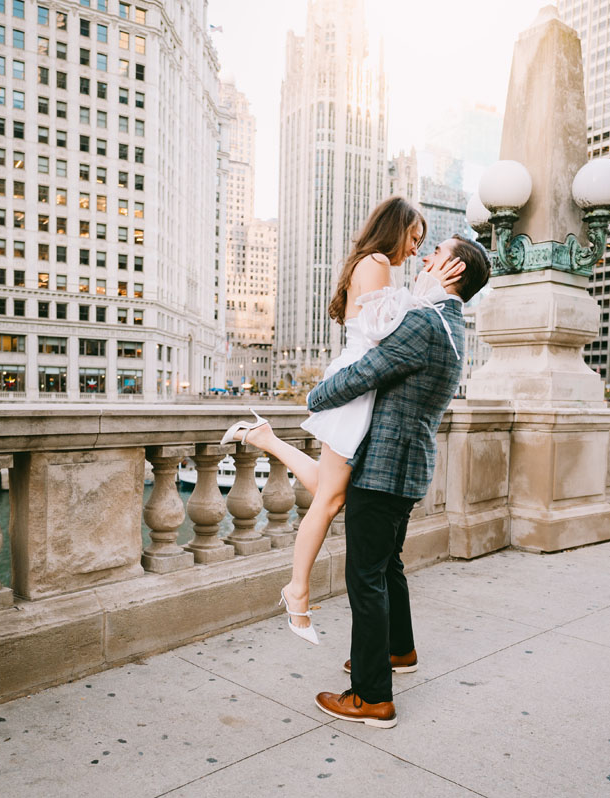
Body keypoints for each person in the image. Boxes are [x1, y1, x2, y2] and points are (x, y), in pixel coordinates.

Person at [220, 196, 464, 645]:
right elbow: (381, 330)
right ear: (397, 228)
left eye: (422, 244)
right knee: (330, 500)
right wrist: (425, 291)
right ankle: (296, 591)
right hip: (356, 382)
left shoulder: (375, 265)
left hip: (365, 385)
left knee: (333, 490)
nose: (415, 250)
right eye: (414, 238)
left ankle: (265, 438)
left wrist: (422, 294)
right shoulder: (375, 262)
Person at [307, 232, 490, 728]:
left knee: (364, 579)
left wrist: (315, 398)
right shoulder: (450, 326)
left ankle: (371, 698)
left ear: (454, 272)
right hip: (409, 467)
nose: (426, 258)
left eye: (437, 254)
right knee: (387, 568)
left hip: (384, 469)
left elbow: (366, 370)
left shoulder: (426, 323)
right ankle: (399, 651)